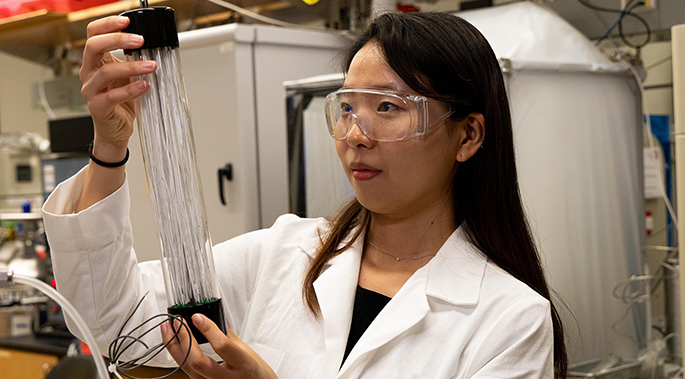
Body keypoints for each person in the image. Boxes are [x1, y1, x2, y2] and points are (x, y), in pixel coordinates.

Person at [43, 11, 568, 379]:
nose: (356, 134)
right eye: (347, 108)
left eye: (387, 107)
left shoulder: (510, 320)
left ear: (469, 135)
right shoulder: (284, 255)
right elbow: (109, 318)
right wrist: (110, 146)